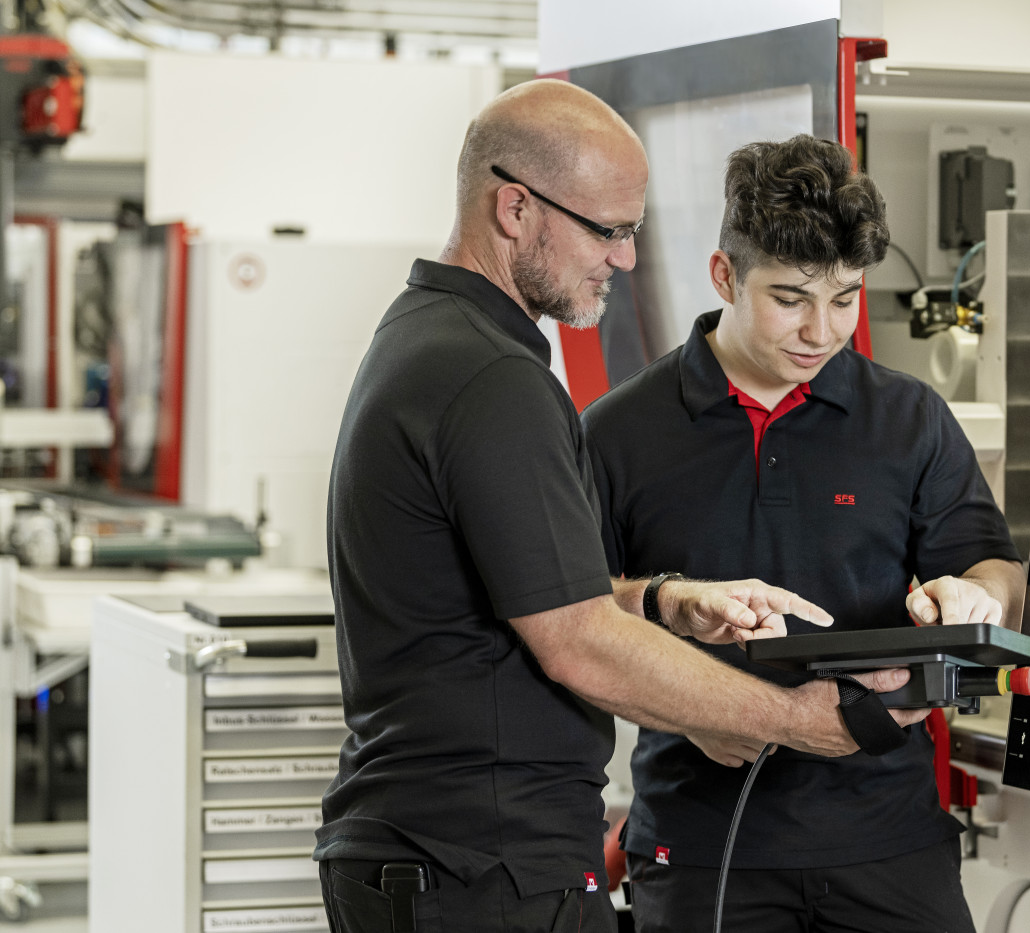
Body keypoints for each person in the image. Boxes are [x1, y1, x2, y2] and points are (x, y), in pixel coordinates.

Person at [314, 84, 926, 933]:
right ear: (516, 208)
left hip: (448, 856)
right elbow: (576, 643)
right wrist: (796, 719)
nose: (627, 258)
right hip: (477, 865)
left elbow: (531, 593)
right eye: (608, 230)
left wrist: (667, 598)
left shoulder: (432, 337)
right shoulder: (492, 379)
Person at [581, 134, 1025, 932]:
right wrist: (690, 706)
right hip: (703, 846)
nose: (822, 331)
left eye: (846, 297)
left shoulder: (910, 419)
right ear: (725, 275)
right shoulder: (619, 432)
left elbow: (990, 566)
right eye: (790, 297)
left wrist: (975, 595)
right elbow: (571, 614)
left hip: (888, 842)